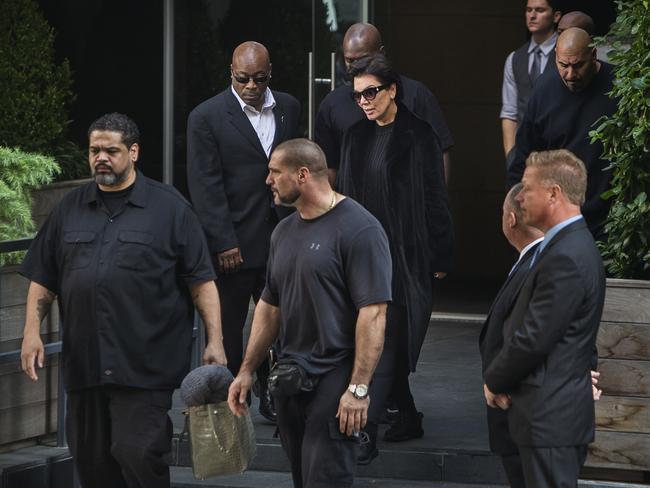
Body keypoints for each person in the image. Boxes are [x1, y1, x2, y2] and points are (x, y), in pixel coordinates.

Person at [20, 113, 226, 488]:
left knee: (138, 453)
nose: (101, 157)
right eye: (94, 150)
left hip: (145, 366)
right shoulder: (70, 208)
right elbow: (43, 277)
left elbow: (202, 282)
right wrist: (31, 332)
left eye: (110, 150)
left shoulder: (170, 209)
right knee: (91, 464)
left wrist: (215, 341)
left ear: (133, 152)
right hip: (86, 365)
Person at [227, 138, 392, 488]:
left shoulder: (360, 229)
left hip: (335, 376)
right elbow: (270, 308)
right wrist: (245, 371)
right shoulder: (283, 231)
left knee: (326, 480)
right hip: (290, 376)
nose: (267, 180)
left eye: (274, 172)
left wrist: (358, 389)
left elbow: (373, 314)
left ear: (302, 175)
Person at [336, 53, 453, 460]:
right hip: (363, 256)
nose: (364, 102)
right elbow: (346, 196)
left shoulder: (419, 135)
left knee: (387, 340)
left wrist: (440, 253)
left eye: (371, 93)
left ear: (391, 91)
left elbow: (435, 197)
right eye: (357, 96)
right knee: (383, 340)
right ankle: (405, 412)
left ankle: (363, 429)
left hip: (403, 256)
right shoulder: (355, 136)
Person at [186, 41, 300, 421]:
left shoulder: (288, 106)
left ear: (271, 74)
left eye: (259, 78)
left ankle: (275, 392)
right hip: (233, 242)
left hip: (280, 235)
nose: (251, 85)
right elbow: (206, 184)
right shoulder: (206, 116)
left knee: (281, 322)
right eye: (242, 78)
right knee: (230, 326)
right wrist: (222, 241)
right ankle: (233, 401)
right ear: (230, 73)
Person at [485, 149, 606, 488]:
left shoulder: (566, 254)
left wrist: (494, 380)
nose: (519, 197)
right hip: (548, 419)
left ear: (554, 194)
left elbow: (534, 336)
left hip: (550, 419)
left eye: (527, 187)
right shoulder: (566, 247)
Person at [507, 28, 618, 240]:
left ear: (593, 55)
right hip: (558, 218)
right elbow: (523, 155)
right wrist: (519, 212)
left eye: (578, 65)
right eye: (563, 65)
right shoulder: (544, 89)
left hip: (609, 218)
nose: (570, 74)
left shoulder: (618, 85)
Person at [315, 22, 453, 183]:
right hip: (353, 203)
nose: (356, 67)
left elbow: (439, 153)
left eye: (363, 59)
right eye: (349, 60)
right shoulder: (333, 104)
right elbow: (328, 167)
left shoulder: (416, 95)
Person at [479, 183, 544, 488]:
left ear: (511, 219)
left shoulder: (538, 265)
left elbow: (527, 336)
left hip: (520, 410)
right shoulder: (534, 261)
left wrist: (498, 381)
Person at [501, 0, 561, 164]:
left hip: (559, 150)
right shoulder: (514, 59)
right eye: (529, 10)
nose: (532, 16)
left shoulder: (565, 54)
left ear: (556, 16)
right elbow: (509, 112)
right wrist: (511, 157)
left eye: (540, 10)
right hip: (524, 154)